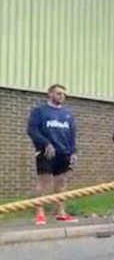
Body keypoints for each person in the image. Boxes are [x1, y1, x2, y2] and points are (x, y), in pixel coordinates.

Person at [27, 84, 78, 225]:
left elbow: (72, 134)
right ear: (50, 94)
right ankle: (40, 214)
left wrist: (73, 151)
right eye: (58, 93)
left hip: (64, 153)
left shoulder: (67, 114)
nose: (61, 96)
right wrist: (45, 143)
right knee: (43, 182)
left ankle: (61, 213)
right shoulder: (39, 111)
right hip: (46, 152)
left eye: (63, 94)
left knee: (61, 183)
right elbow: (32, 130)